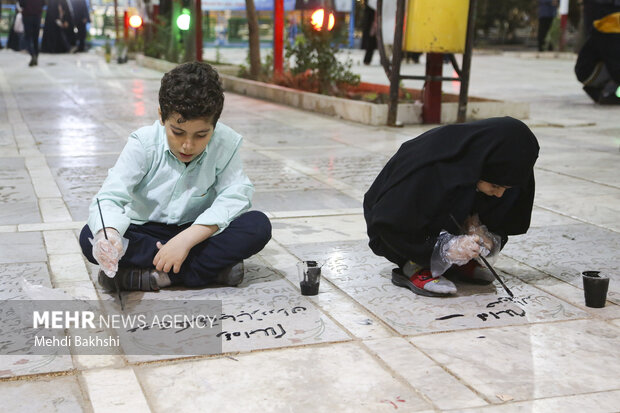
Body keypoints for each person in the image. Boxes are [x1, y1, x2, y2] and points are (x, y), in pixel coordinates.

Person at [79, 62, 272, 292]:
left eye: (201, 135)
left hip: (197, 231)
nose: (188, 145)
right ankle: (210, 270)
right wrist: (108, 235)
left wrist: (186, 240)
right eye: (177, 132)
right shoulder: (144, 143)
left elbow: (235, 195)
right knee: (90, 235)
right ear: (162, 116)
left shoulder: (225, 143)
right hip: (146, 230)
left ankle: (159, 277)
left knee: (257, 226)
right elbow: (109, 197)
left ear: (215, 124)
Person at [363, 117, 539, 297]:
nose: (500, 193)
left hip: (457, 201)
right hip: (400, 225)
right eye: (495, 185)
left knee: (498, 193)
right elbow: (390, 220)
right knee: (422, 220)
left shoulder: (501, 162)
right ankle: (415, 263)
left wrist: (484, 233)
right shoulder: (432, 162)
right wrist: (444, 248)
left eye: (506, 188)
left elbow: (508, 210)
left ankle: (457, 262)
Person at [575, 8, 620, 104]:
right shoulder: (612, 30)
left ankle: (602, 90)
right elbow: (615, 67)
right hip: (589, 72)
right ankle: (607, 93)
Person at [19, 0, 45, 66]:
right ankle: (36, 56)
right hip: (37, 15)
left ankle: (32, 54)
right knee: (35, 37)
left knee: (27, 37)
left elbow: (21, 3)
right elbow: (43, 3)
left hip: (27, 15)